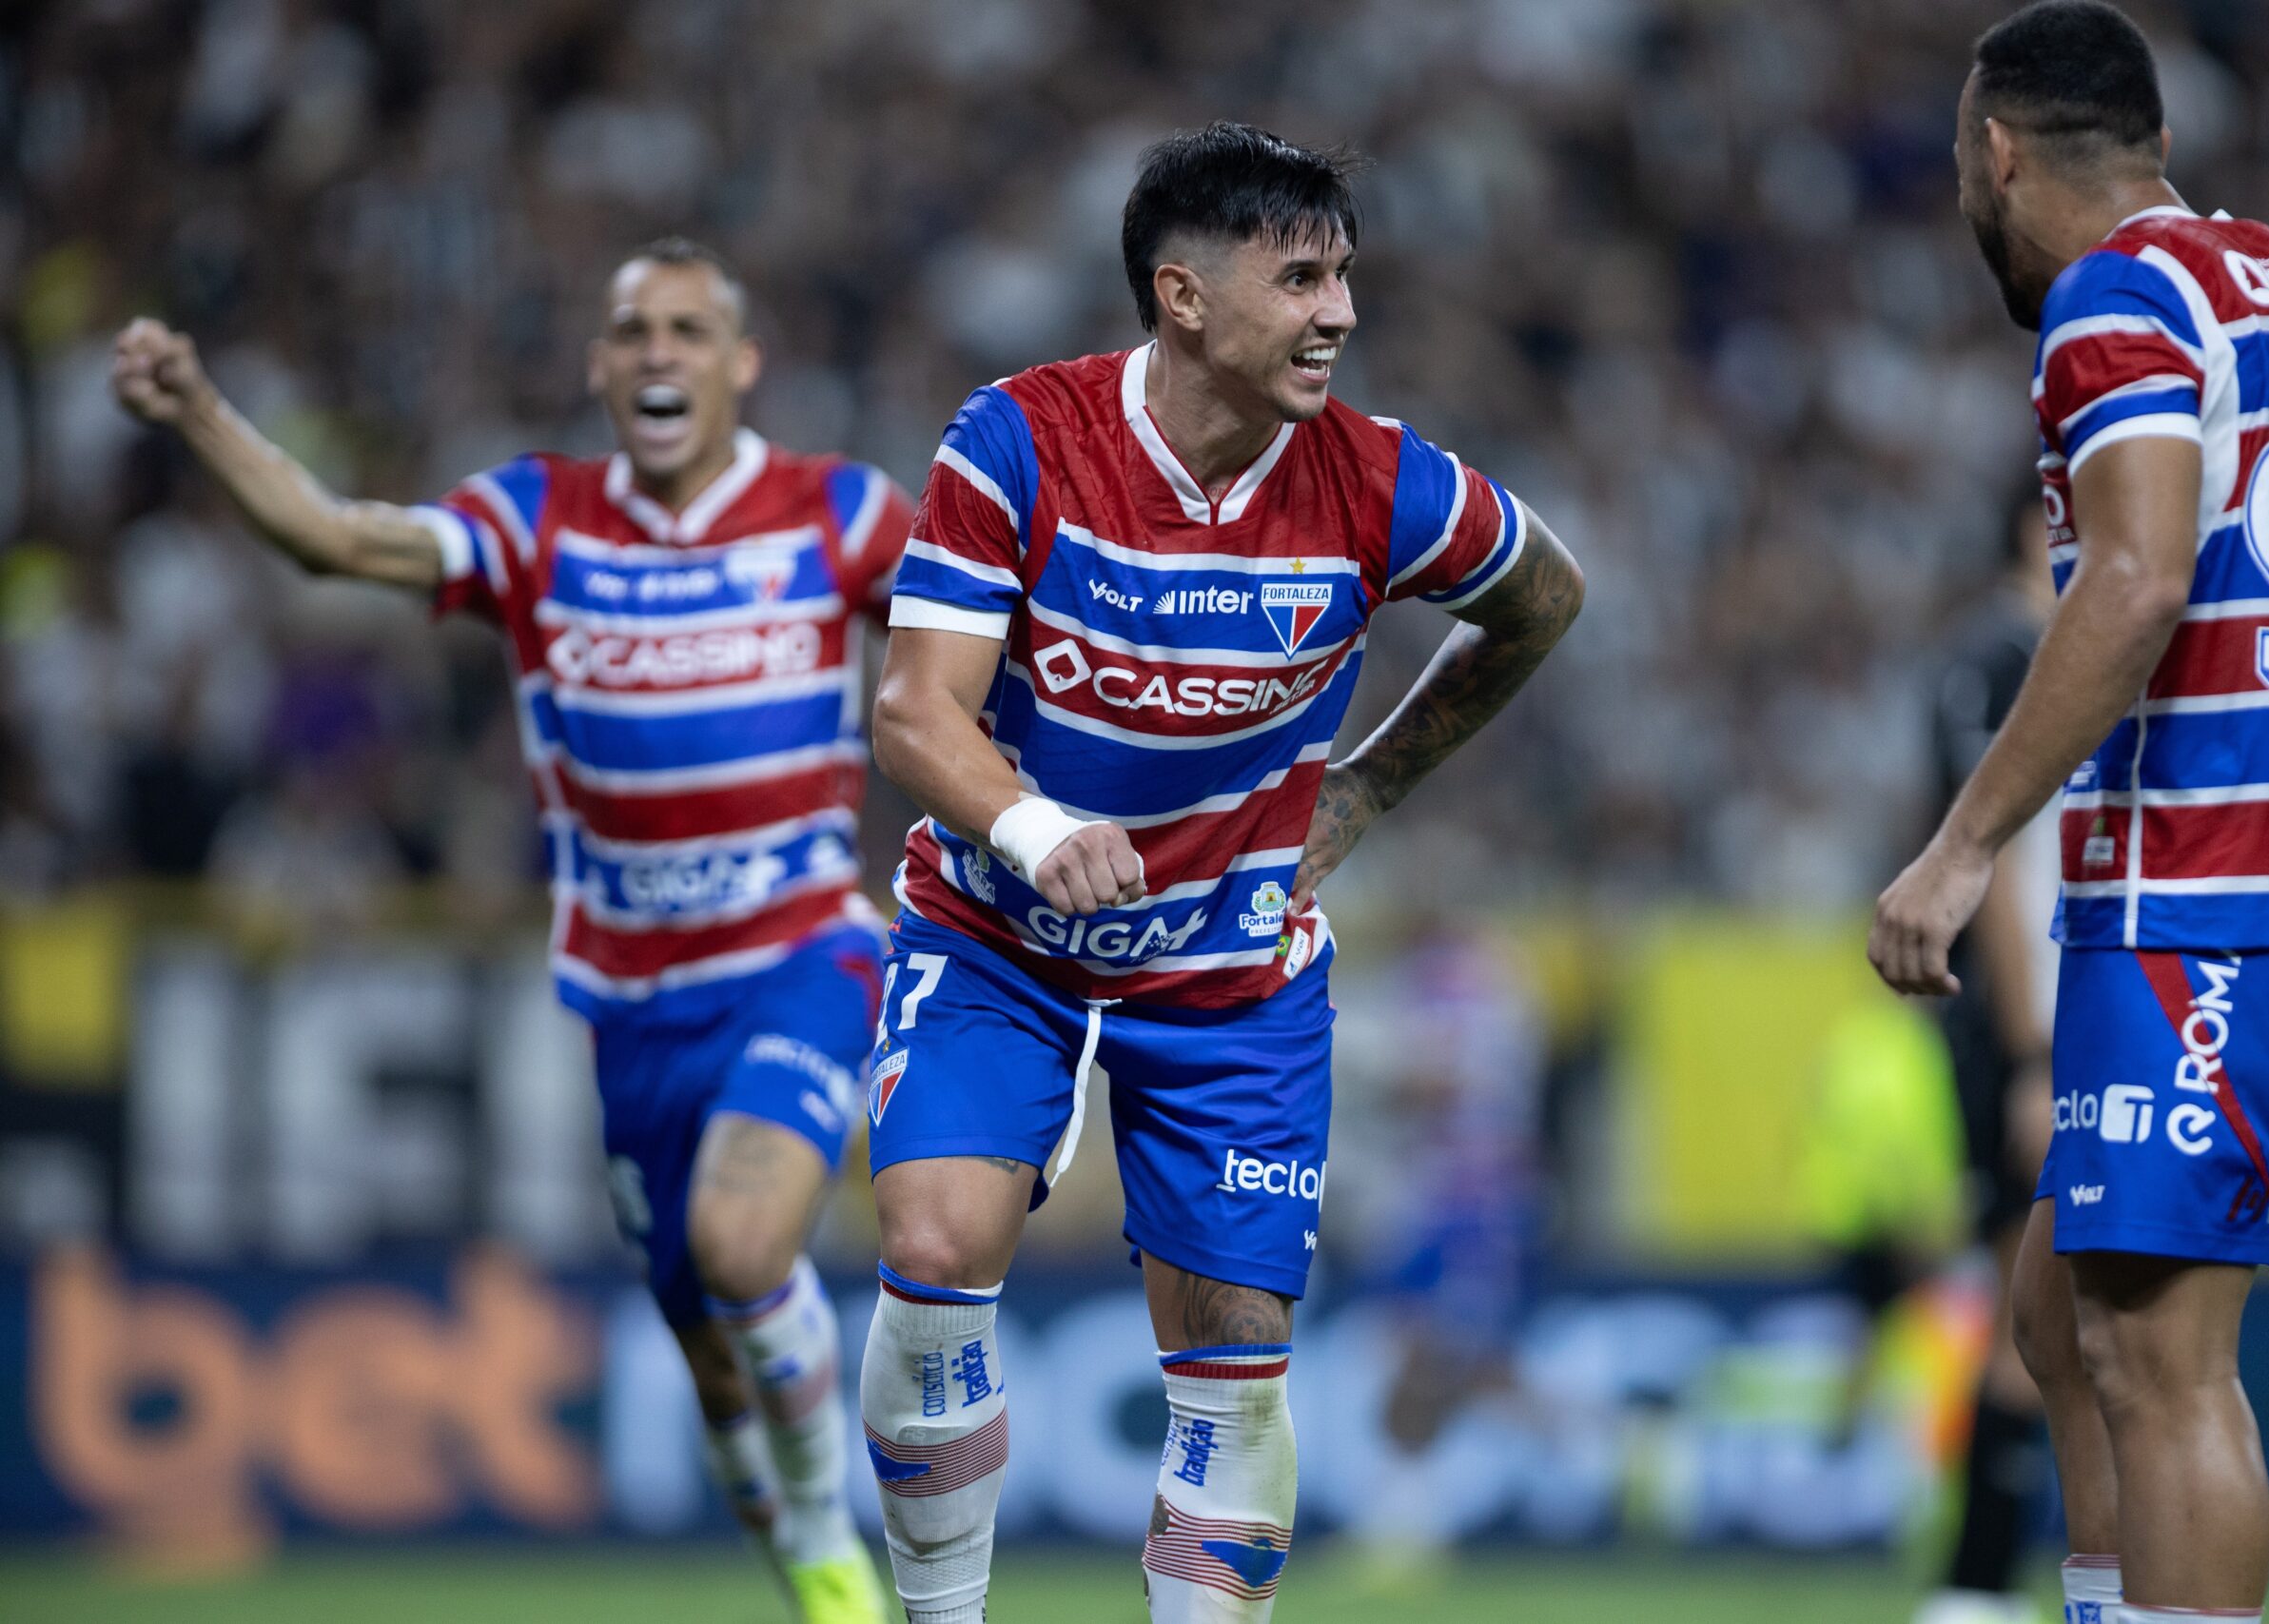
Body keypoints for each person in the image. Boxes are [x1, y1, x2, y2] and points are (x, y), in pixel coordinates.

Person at [110, 240, 909, 1623]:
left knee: (742, 1248)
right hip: (633, 1006)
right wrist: (197, 410)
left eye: (687, 330)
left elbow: (981, 647)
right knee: (708, 1348)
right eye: (632, 332)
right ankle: (794, 1540)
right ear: (599, 368)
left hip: (805, 953)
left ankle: (832, 1543)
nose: (658, 353)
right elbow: (334, 538)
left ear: (741, 363)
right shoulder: (539, 517)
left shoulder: (839, 512)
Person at [855, 123, 1583, 1624]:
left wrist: (1371, 779)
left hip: (1229, 971)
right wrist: (1039, 831)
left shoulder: (1380, 482)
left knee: (1237, 1363)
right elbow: (916, 712)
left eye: (1345, 277)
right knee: (933, 1244)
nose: (1341, 313)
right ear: (1183, 296)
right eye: (1301, 278)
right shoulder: (1020, 440)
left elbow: (1544, 597)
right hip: (1000, 937)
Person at [1869, 5, 2269, 1622]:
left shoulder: (2117, 295)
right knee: (2061, 1318)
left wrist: (1962, 845)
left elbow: (2134, 577)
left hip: (2199, 889)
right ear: (2161, 142)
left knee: (2157, 1354)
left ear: (1995, 154)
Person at [1913, 496, 2064, 1624]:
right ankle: (1974, 1589)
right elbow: (2000, 868)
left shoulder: (2062, 656)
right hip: (2032, 1031)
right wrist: (2030, 1058)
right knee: (2039, 1320)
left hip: (2058, 1024)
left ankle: (1985, 1586)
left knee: (2061, 1322)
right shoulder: (2006, 659)